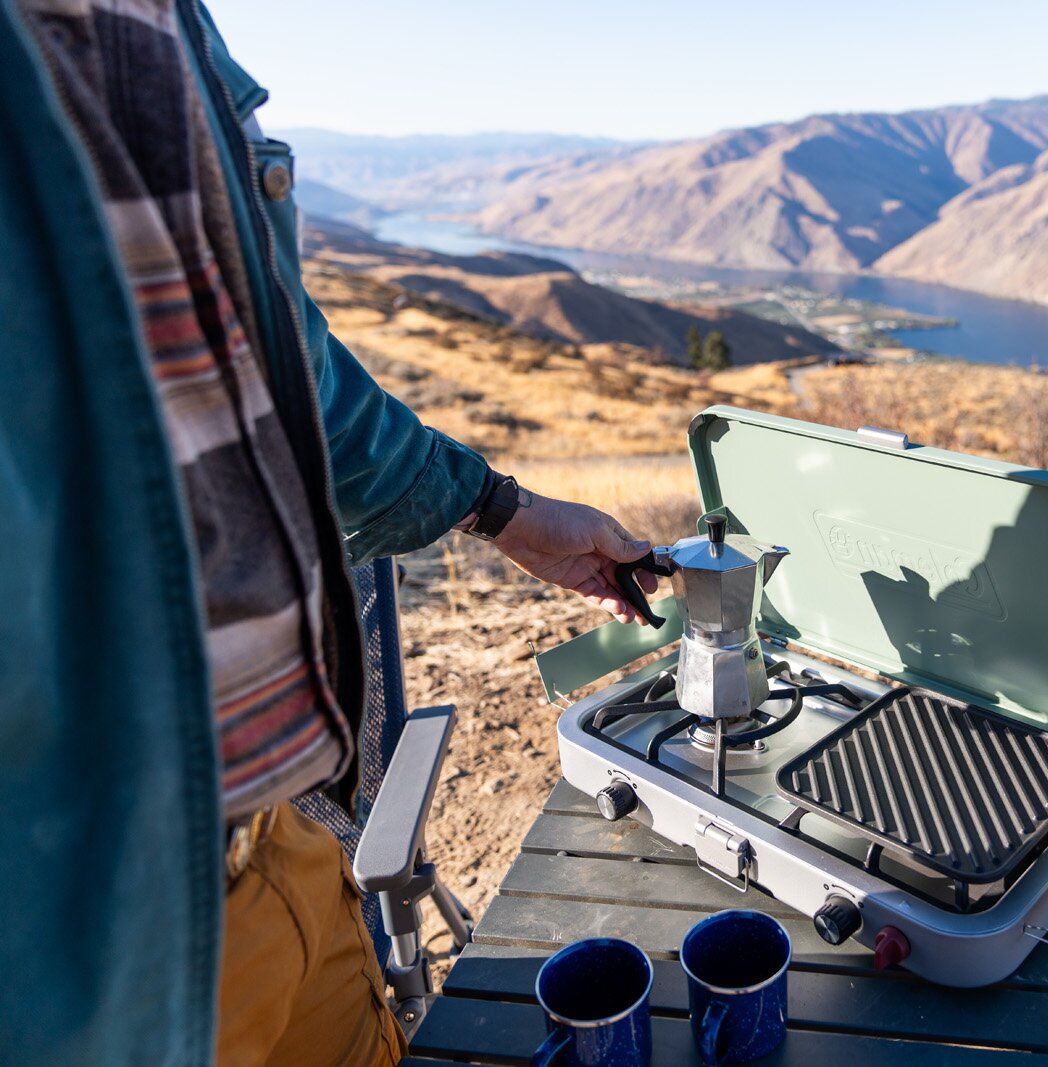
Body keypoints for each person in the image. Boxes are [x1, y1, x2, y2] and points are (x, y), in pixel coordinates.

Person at [0, 1, 656, 1062]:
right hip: (72, 945)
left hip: (272, 842)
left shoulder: (164, 26)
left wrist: (507, 513)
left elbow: (275, 371)